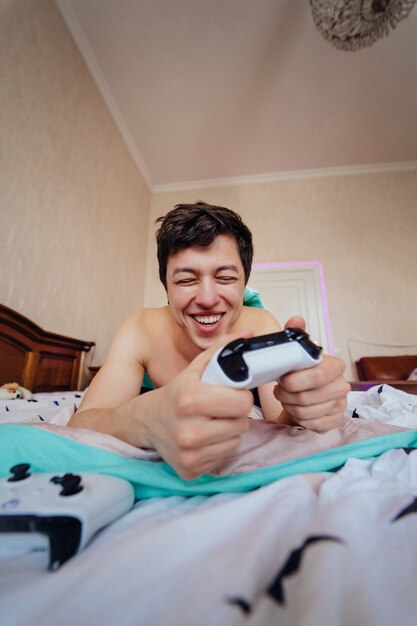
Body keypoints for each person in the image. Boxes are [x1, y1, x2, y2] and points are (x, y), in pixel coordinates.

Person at [69, 201, 350, 479]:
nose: (207, 299)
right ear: (166, 286)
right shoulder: (141, 328)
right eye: (186, 280)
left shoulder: (260, 323)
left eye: (226, 278)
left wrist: (302, 406)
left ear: (244, 283)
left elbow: (279, 420)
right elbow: (81, 424)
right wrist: (141, 418)